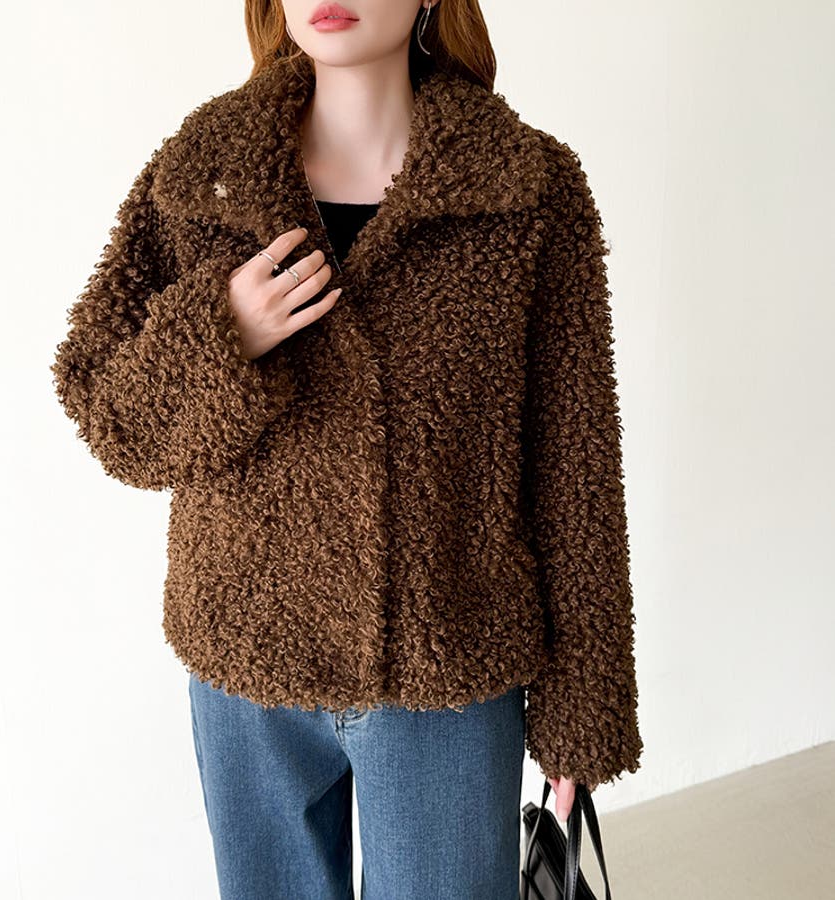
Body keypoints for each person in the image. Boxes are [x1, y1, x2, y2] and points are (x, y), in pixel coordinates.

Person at [50, 1, 644, 897]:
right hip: (246, 663)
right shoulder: (204, 173)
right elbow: (109, 413)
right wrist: (221, 336)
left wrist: (581, 706)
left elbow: (576, 466)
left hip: (449, 662)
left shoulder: (526, 187)